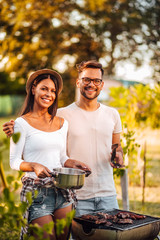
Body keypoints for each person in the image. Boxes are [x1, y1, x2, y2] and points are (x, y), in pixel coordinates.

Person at [3, 60, 124, 218]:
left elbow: (116, 147)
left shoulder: (113, 114)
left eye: (96, 81)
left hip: (108, 194)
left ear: (101, 85)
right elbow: (38, 128)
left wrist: (118, 155)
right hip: (76, 193)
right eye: (87, 79)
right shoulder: (61, 115)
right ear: (78, 82)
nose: (91, 84)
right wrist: (16, 129)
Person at [7, 69, 90, 240]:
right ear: (33, 90)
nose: (49, 94)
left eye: (53, 91)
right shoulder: (21, 123)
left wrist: (73, 163)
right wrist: (34, 166)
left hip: (62, 191)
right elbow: (14, 161)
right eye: (44, 89)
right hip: (37, 193)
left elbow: (61, 158)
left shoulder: (61, 123)